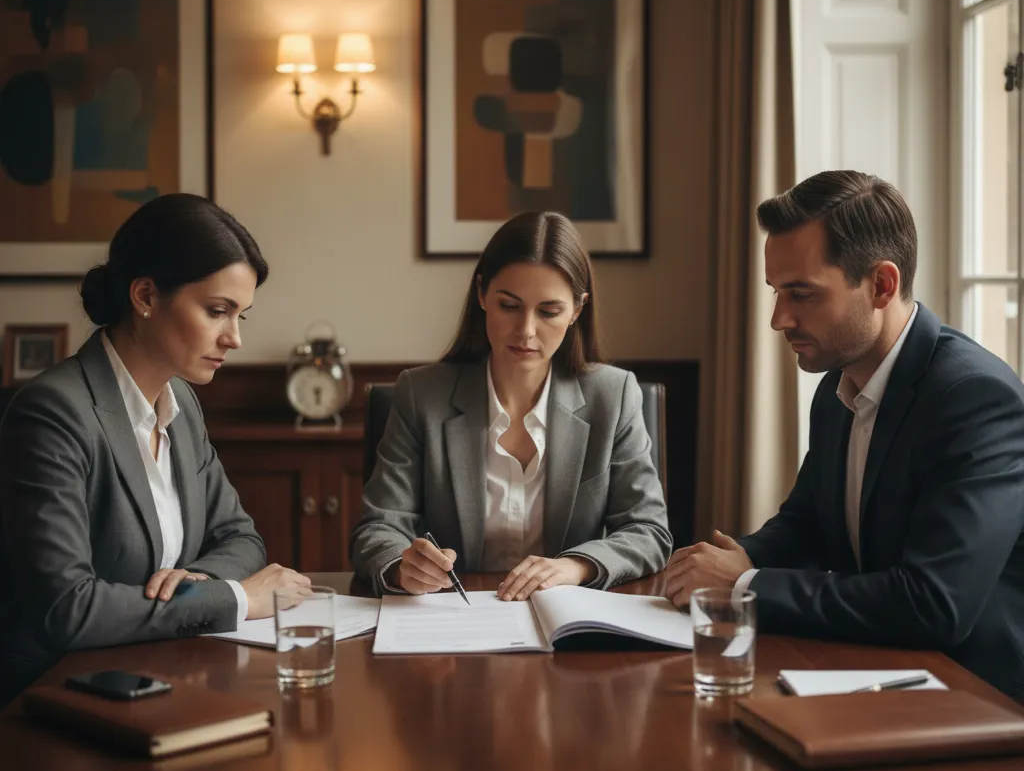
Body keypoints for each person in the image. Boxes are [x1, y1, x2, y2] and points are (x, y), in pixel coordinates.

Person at [665, 170, 1024, 697]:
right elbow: (805, 525)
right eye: (776, 292)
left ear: (882, 285)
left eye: (801, 294)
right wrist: (732, 561)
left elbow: (934, 604)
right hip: (876, 672)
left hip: (978, 700)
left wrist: (743, 585)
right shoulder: (839, 380)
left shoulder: (975, 398)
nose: (778, 318)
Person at [0, 194, 310, 704]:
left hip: (161, 670)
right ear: (145, 295)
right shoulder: (53, 412)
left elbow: (240, 536)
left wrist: (196, 580)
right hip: (58, 691)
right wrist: (231, 596)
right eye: (217, 311)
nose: (234, 339)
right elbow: (67, 608)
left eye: (241, 317)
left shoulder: (181, 401)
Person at [351, 210, 671, 600]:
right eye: (509, 305)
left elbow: (648, 531)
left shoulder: (614, 395)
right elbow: (378, 528)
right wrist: (402, 567)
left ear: (576, 310)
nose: (526, 330)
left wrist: (574, 566)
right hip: (452, 622)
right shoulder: (422, 395)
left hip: (565, 622)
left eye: (549, 311)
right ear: (483, 294)